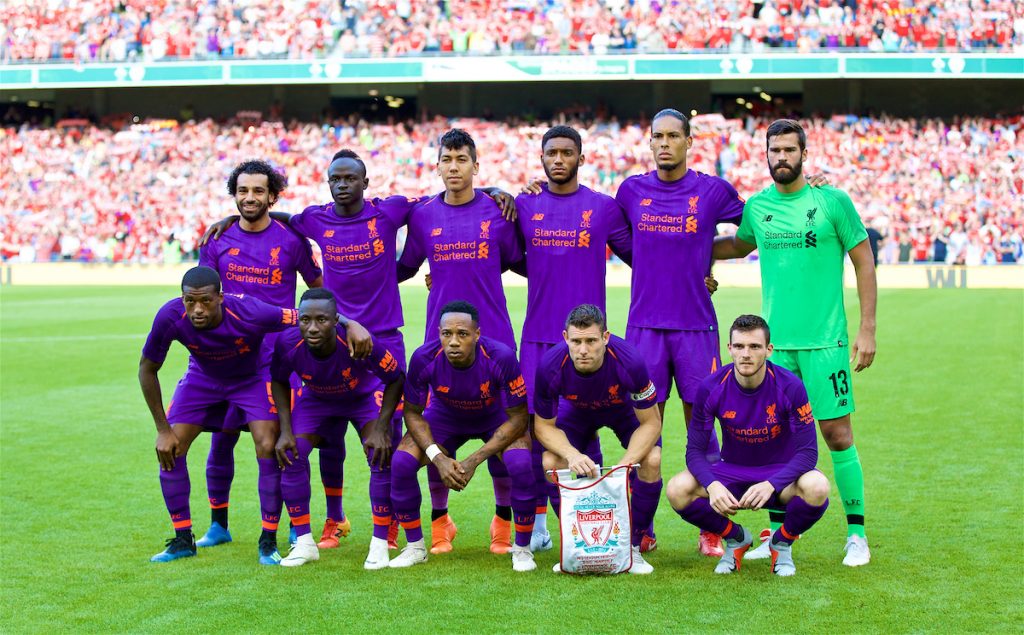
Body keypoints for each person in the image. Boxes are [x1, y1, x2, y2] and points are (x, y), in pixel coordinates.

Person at [714, 119, 877, 566]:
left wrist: (867, 330)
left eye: (789, 150)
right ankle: (776, 534)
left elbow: (864, 262)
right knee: (775, 440)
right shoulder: (759, 207)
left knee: (837, 434)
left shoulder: (832, 201)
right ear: (765, 155)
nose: (781, 157)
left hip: (826, 343)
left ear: (804, 154)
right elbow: (738, 244)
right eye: (774, 150)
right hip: (776, 348)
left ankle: (856, 534)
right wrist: (699, 253)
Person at [139, 266, 366, 564]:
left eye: (205, 301)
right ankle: (183, 538)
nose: (197, 309)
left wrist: (349, 323)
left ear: (220, 297)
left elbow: (305, 316)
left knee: (269, 445)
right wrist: (162, 429)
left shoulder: (250, 311)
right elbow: (147, 368)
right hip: (203, 378)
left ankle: (267, 540)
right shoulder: (169, 316)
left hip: (253, 377)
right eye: (189, 301)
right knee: (171, 447)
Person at [614, 108, 746, 558]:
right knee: (646, 428)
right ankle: (643, 527)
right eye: (658, 136)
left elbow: (751, 232)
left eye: (674, 136)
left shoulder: (712, 191)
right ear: (649, 143)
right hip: (645, 327)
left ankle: (711, 526)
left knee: (703, 429)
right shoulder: (631, 191)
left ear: (690, 142)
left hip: (695, 327)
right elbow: (607, 233)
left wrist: (706, 259)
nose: (665, 143)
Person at [397, 129, 526, 555]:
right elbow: (404, 267)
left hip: (496, 344)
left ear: (476, 165)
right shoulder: (422, 216)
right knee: (440, 435)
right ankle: (440, 522)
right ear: (437, 165)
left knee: (505, 439)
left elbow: (523, 260)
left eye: (461, 159)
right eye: (446, 159)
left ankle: (502, 523)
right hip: (444, 348)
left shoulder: (497, 211)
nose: (453, 166)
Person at [513, 125, 633, 553]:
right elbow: (503, 250)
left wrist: (702, 271)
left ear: (581, 158)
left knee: (584, 423)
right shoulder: (524, 205)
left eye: (567, 152)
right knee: (533, 432)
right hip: (538, 340)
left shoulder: (602, 208)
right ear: (541, 157)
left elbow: (645, 254)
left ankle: (594, 514)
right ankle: (540, 526)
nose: (558, 159)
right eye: (552, 152)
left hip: (586, 342)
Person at [195, 159, 324, 551]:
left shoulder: (290, 241)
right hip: (228, 358)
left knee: (279, 445)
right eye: (243, 191)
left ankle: (290, 523)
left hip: (276, 361)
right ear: (234, 194)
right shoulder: (216, 240)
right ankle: (219, 524)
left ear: (272, 196)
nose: (250, 198)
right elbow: (201, 294)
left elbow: (318, 289)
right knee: (221, 441)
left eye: (258, 191)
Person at [666, 314, 830, 576]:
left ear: (769, 349)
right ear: (729, 348)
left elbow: (808, 453)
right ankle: (736, 538)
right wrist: (713, 484)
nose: (746, 354)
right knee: (677, 489)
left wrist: (772, 484)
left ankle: (782, 543)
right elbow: (695, 451)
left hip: (779, 475)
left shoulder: (791, 386)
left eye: (754, 347)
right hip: (732, 471)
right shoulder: (711, 387)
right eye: (739, 346)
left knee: (817, 486)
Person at [388, 301, 537, 572]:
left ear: (477, 335)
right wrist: (438, 457)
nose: (454, 342)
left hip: (494, 418)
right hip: (446, 418)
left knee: (521, 463)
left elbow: (519, 417)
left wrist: (474, 460)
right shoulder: (424, 357)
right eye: (447, 334)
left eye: (463, 334)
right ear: (439, 333)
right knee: (401, 463)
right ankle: (415, 547)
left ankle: (523, 549)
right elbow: (412, 413)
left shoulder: (501, 356)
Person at [270, 289, 405, 569]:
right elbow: (279, 381)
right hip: (318, 399)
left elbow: (396, 378)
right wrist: (284, 429)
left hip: (363, 398)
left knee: (378, 454)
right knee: (290, 453)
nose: (312, 327)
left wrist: (381, 428)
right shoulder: (287, 343)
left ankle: (380, 543)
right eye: (305, 320)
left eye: (321, 320)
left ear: (336, 321)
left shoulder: (358, 340)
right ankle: (305, 543)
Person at [532, 304, 662, 575]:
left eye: (591, 340)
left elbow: (651, 423)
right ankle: (576, 543)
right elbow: (543, 427)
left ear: (605, 337)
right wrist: (572, 455)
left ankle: (634, 547)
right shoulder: (549, 366)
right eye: (576, 341)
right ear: (565, 337)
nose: (583, 349)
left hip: (621, 409)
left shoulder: (630, 360)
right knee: (550, 462)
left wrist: (625, 465)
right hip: (576, 411)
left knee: (651, 459)